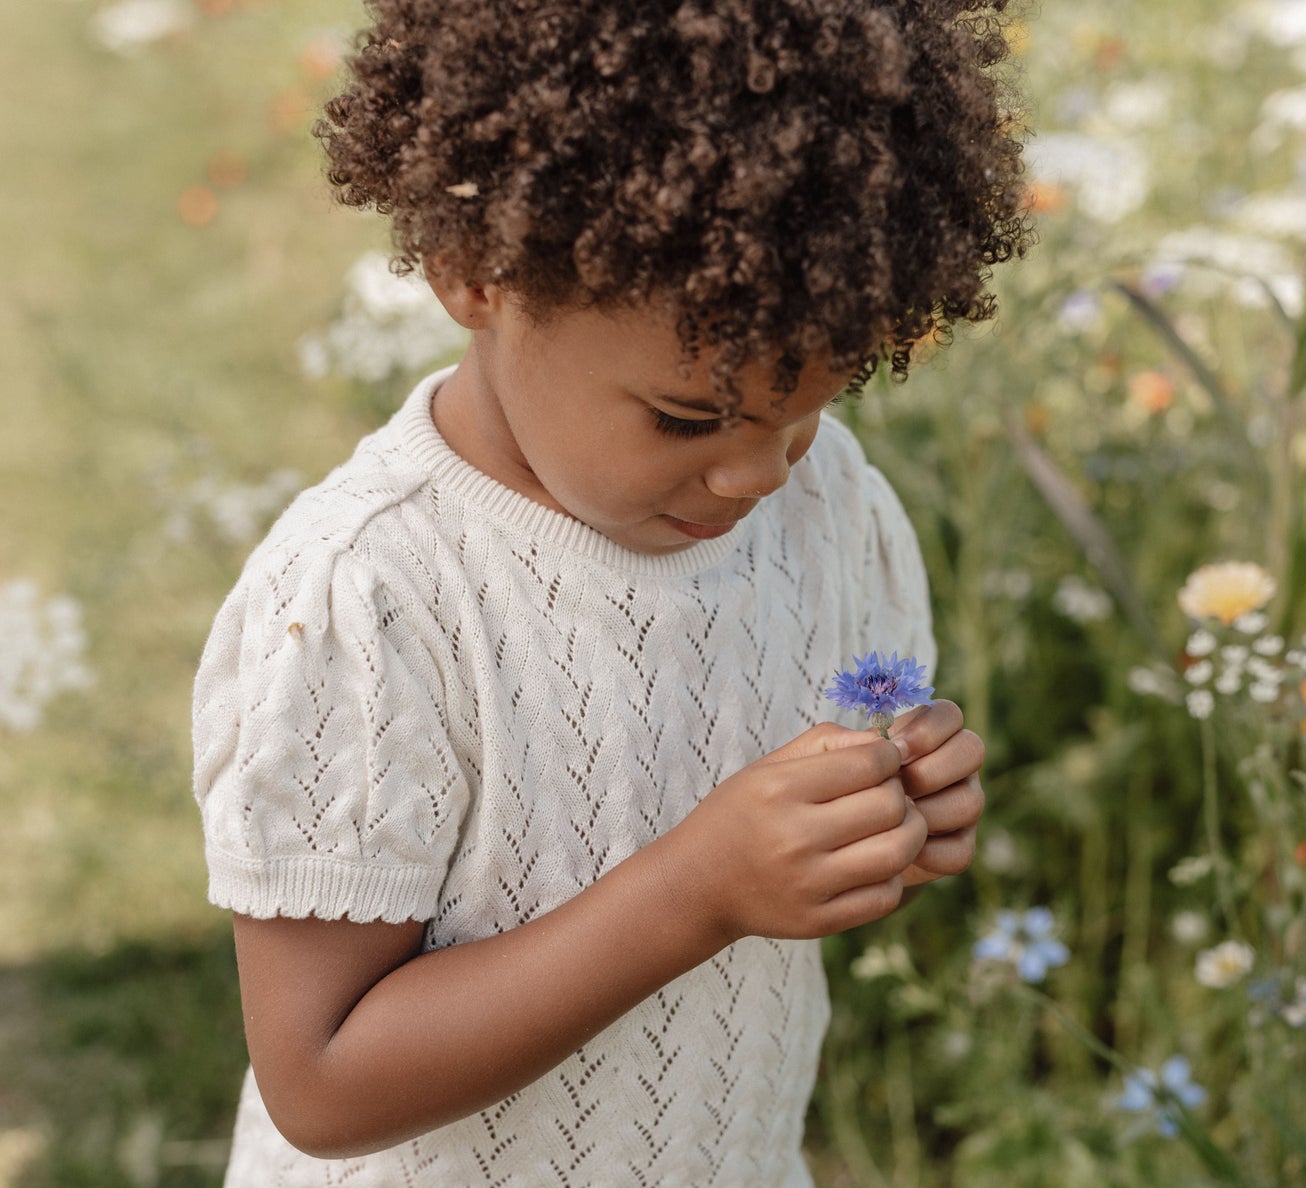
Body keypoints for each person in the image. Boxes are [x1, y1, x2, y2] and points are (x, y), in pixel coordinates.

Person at [190, 0, 1030, 1184]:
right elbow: (321, 1079)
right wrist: (695, 893)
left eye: (807, 411)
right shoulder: (368, 597)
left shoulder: (824, 499)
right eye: (689, 416)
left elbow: (793, 804)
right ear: (472, 275)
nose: (753, 472)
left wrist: (891, 813)